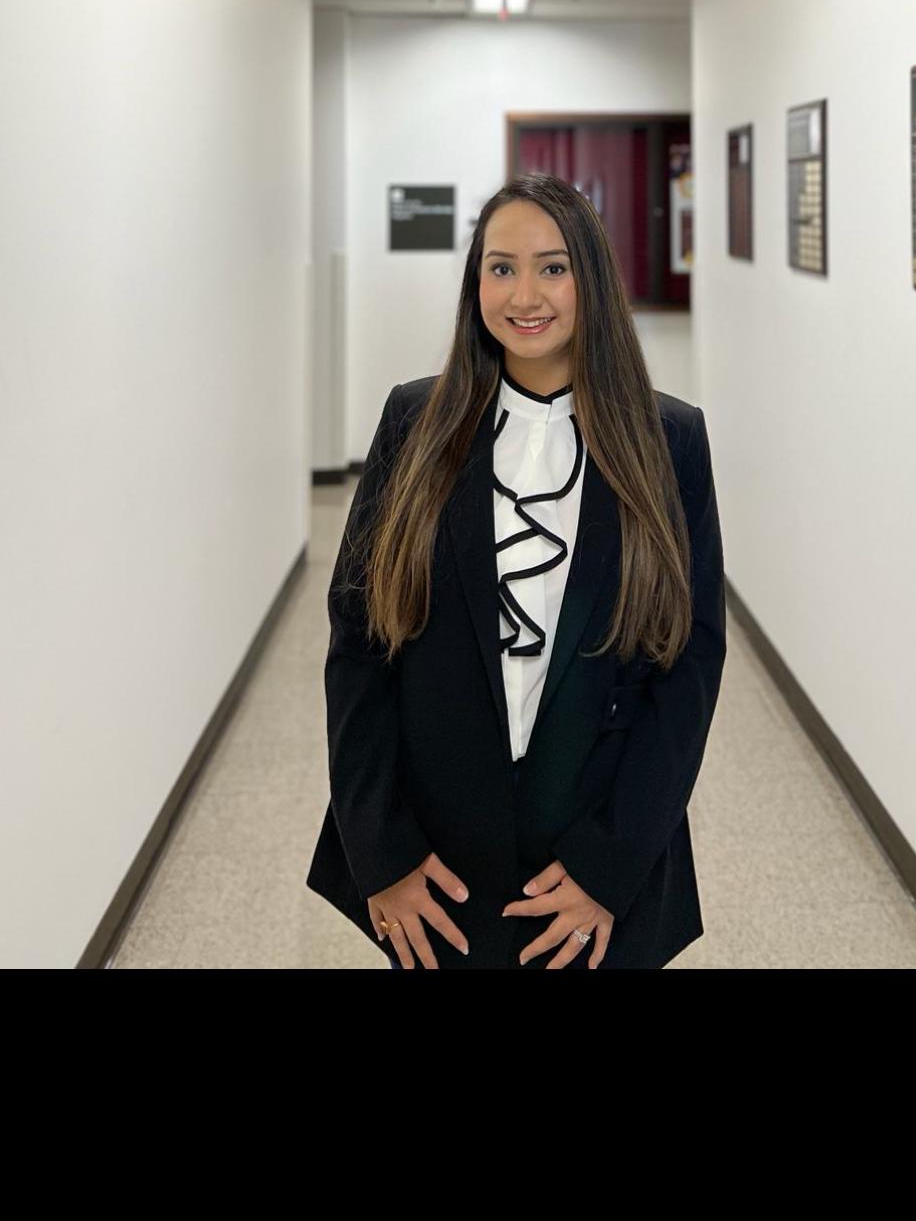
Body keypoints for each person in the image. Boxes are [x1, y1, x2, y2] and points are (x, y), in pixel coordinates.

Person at [305, 171, 726, 969]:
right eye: (501, 267)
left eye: (553, 267)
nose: (524, 294)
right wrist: (381, 850)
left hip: (597, 851)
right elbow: (357, 649)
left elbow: (691, 668)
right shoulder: (414, 423)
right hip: (438, 869)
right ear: (475, 284)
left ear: (591, 280)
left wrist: (613, 865)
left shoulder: (670, 440)